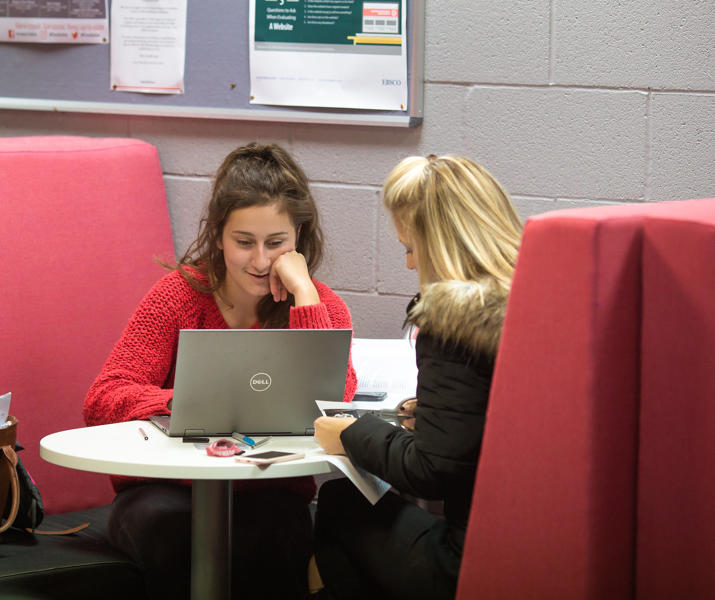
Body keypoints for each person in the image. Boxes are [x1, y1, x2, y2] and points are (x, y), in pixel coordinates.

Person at [83, 142, 357, 600]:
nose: (259, 261)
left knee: (275, 543)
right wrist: (185, 402)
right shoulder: (178, 296)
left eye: (276, 244)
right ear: (218, 235)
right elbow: (103, 397)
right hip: (167, 491)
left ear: (299, 239)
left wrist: (304, 296)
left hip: (268, 491)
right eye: (243, 242)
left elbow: (334, 404)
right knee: (172, 539)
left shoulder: (320, 304)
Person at [311, 154, 523, 600]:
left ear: (443, 243)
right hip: (538, 546)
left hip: (470, 564)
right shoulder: (536, 298)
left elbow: (431, 471)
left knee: (338, 503)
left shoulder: (455, 319)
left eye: (410, 248)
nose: (409, 264)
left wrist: (352, 433)